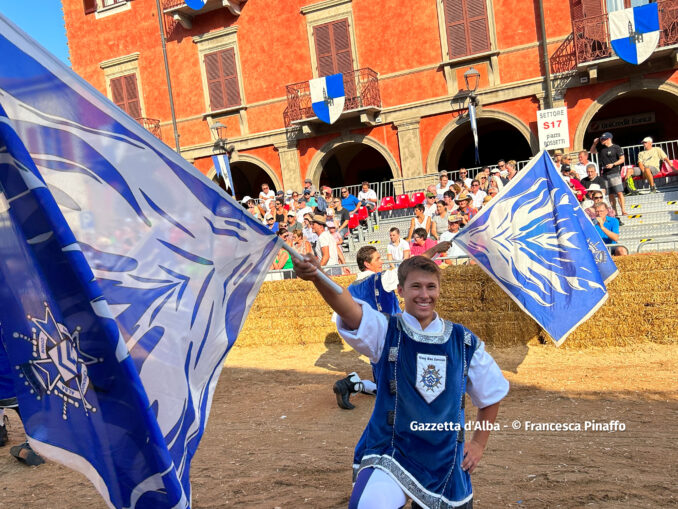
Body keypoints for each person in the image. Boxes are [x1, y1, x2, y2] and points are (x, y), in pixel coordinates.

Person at [292, 254, 508, 508]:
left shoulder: (463, 340)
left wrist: (479, 444)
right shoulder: (386, 330)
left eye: (431, 287)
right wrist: (317, 276)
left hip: (445, 459)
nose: (424, 294)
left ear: (439, 290)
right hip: (392, 452)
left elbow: (491, 393)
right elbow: (348, 309)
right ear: (401, 290)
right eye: (416, 286)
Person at [590, 132, 627, 216]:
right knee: (610, 194)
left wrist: (613, 164)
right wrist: (594, 143)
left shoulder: (616, 147)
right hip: (605, 174)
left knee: (619, 192)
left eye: (604, 139)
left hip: (614, 172)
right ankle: (615, 212)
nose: (602, 140)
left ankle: (623, 210)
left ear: (609, 139)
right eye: (601, 139)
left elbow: (622, 159)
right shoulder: (601, 148)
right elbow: (592, 151)